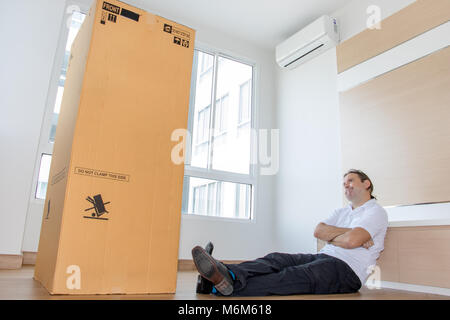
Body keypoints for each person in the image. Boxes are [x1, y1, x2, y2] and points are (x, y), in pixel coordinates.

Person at [191, 169, 388, 296]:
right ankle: (228, 273)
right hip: (323, 256)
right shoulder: (342, 211)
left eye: (350, 181)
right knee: (277, 259)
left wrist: (340, 237)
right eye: (344, 183)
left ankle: (214, 284)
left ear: (366, 183)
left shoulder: (375, 211)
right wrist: (347, 235)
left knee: (290, 275)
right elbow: (318, 231)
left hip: (347, 271)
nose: (346, 185)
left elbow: (351, 241)